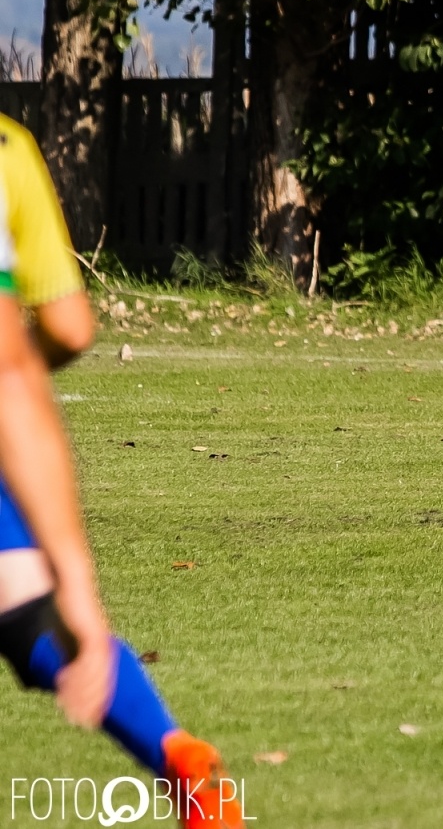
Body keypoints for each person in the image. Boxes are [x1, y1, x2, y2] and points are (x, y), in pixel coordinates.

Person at [0, 114, 242, 827]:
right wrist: (74, 579)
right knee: (23, 595)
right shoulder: (8, 147)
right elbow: (65, 330)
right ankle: (175, 755)